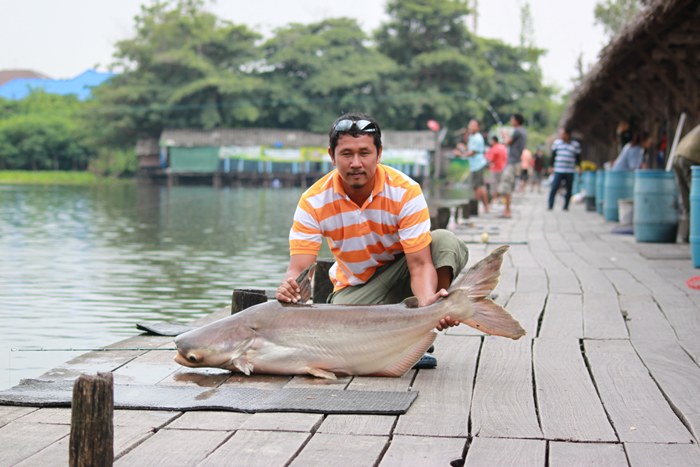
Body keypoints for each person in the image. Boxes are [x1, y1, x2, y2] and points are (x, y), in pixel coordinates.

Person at [276, 111, 469, 369]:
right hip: (356, 288)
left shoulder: (405, 191)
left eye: (364, 153)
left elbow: (420, 265)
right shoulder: (313, 201)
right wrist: (290, 288)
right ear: (332, 156)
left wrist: (427, 305)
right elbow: (300, 269)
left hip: (403, 276)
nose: (356, 162)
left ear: (379, 154)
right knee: (340, 340)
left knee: (445, 241)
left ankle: (424, 325)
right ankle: (406, 338)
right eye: (346, 154)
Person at [453, 119, 489, 213]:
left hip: (478, 165)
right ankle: (484, 207)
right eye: (470, 125)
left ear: (478, 127)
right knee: (478, 186)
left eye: (473, 125)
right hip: (475, 165)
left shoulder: (477, 138)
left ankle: (478, 208)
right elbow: (469, 149)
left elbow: (472, 153)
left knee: (478, 187)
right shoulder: (473, 137)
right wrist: (462, 147)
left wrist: (459, 154)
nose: (470, 127)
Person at [671, 124, 700, 241]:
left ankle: (687, 235)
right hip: (690, 159)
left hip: (678, 156)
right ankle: (695, 234)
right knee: (696, 198)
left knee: (687, 198)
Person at [498, 113, 528, 218]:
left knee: (506, 187)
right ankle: (507, 210)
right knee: (509, 187)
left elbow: (507, 142)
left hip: (512, 162)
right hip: (517, 162)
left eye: (512, 119)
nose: (511, 121)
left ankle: (507, 211)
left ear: (516, 121)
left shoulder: (517, 131)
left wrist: (504, 134)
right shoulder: (523, 131)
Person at [547, 127, 581, 211]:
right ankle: (550, 205)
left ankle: (566, 206)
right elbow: (553, 156)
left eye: (563, 134)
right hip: (559, 169)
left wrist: (579, 167)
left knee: (569, 188)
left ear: (568, 134)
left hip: (570, 170)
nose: (562, 135)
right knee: (554, 187)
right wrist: (551, 166)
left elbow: (578, 157)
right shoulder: (557, 143)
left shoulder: (575, 145)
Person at [485, 135, 507, 201]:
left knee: (494, 185)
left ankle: (495, 199)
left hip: (496, 169)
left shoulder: (494, 148)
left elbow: (490, 159)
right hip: (503, 168)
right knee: (502, 184)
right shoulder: (503, 147)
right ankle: (503, 199)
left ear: (494, 141)